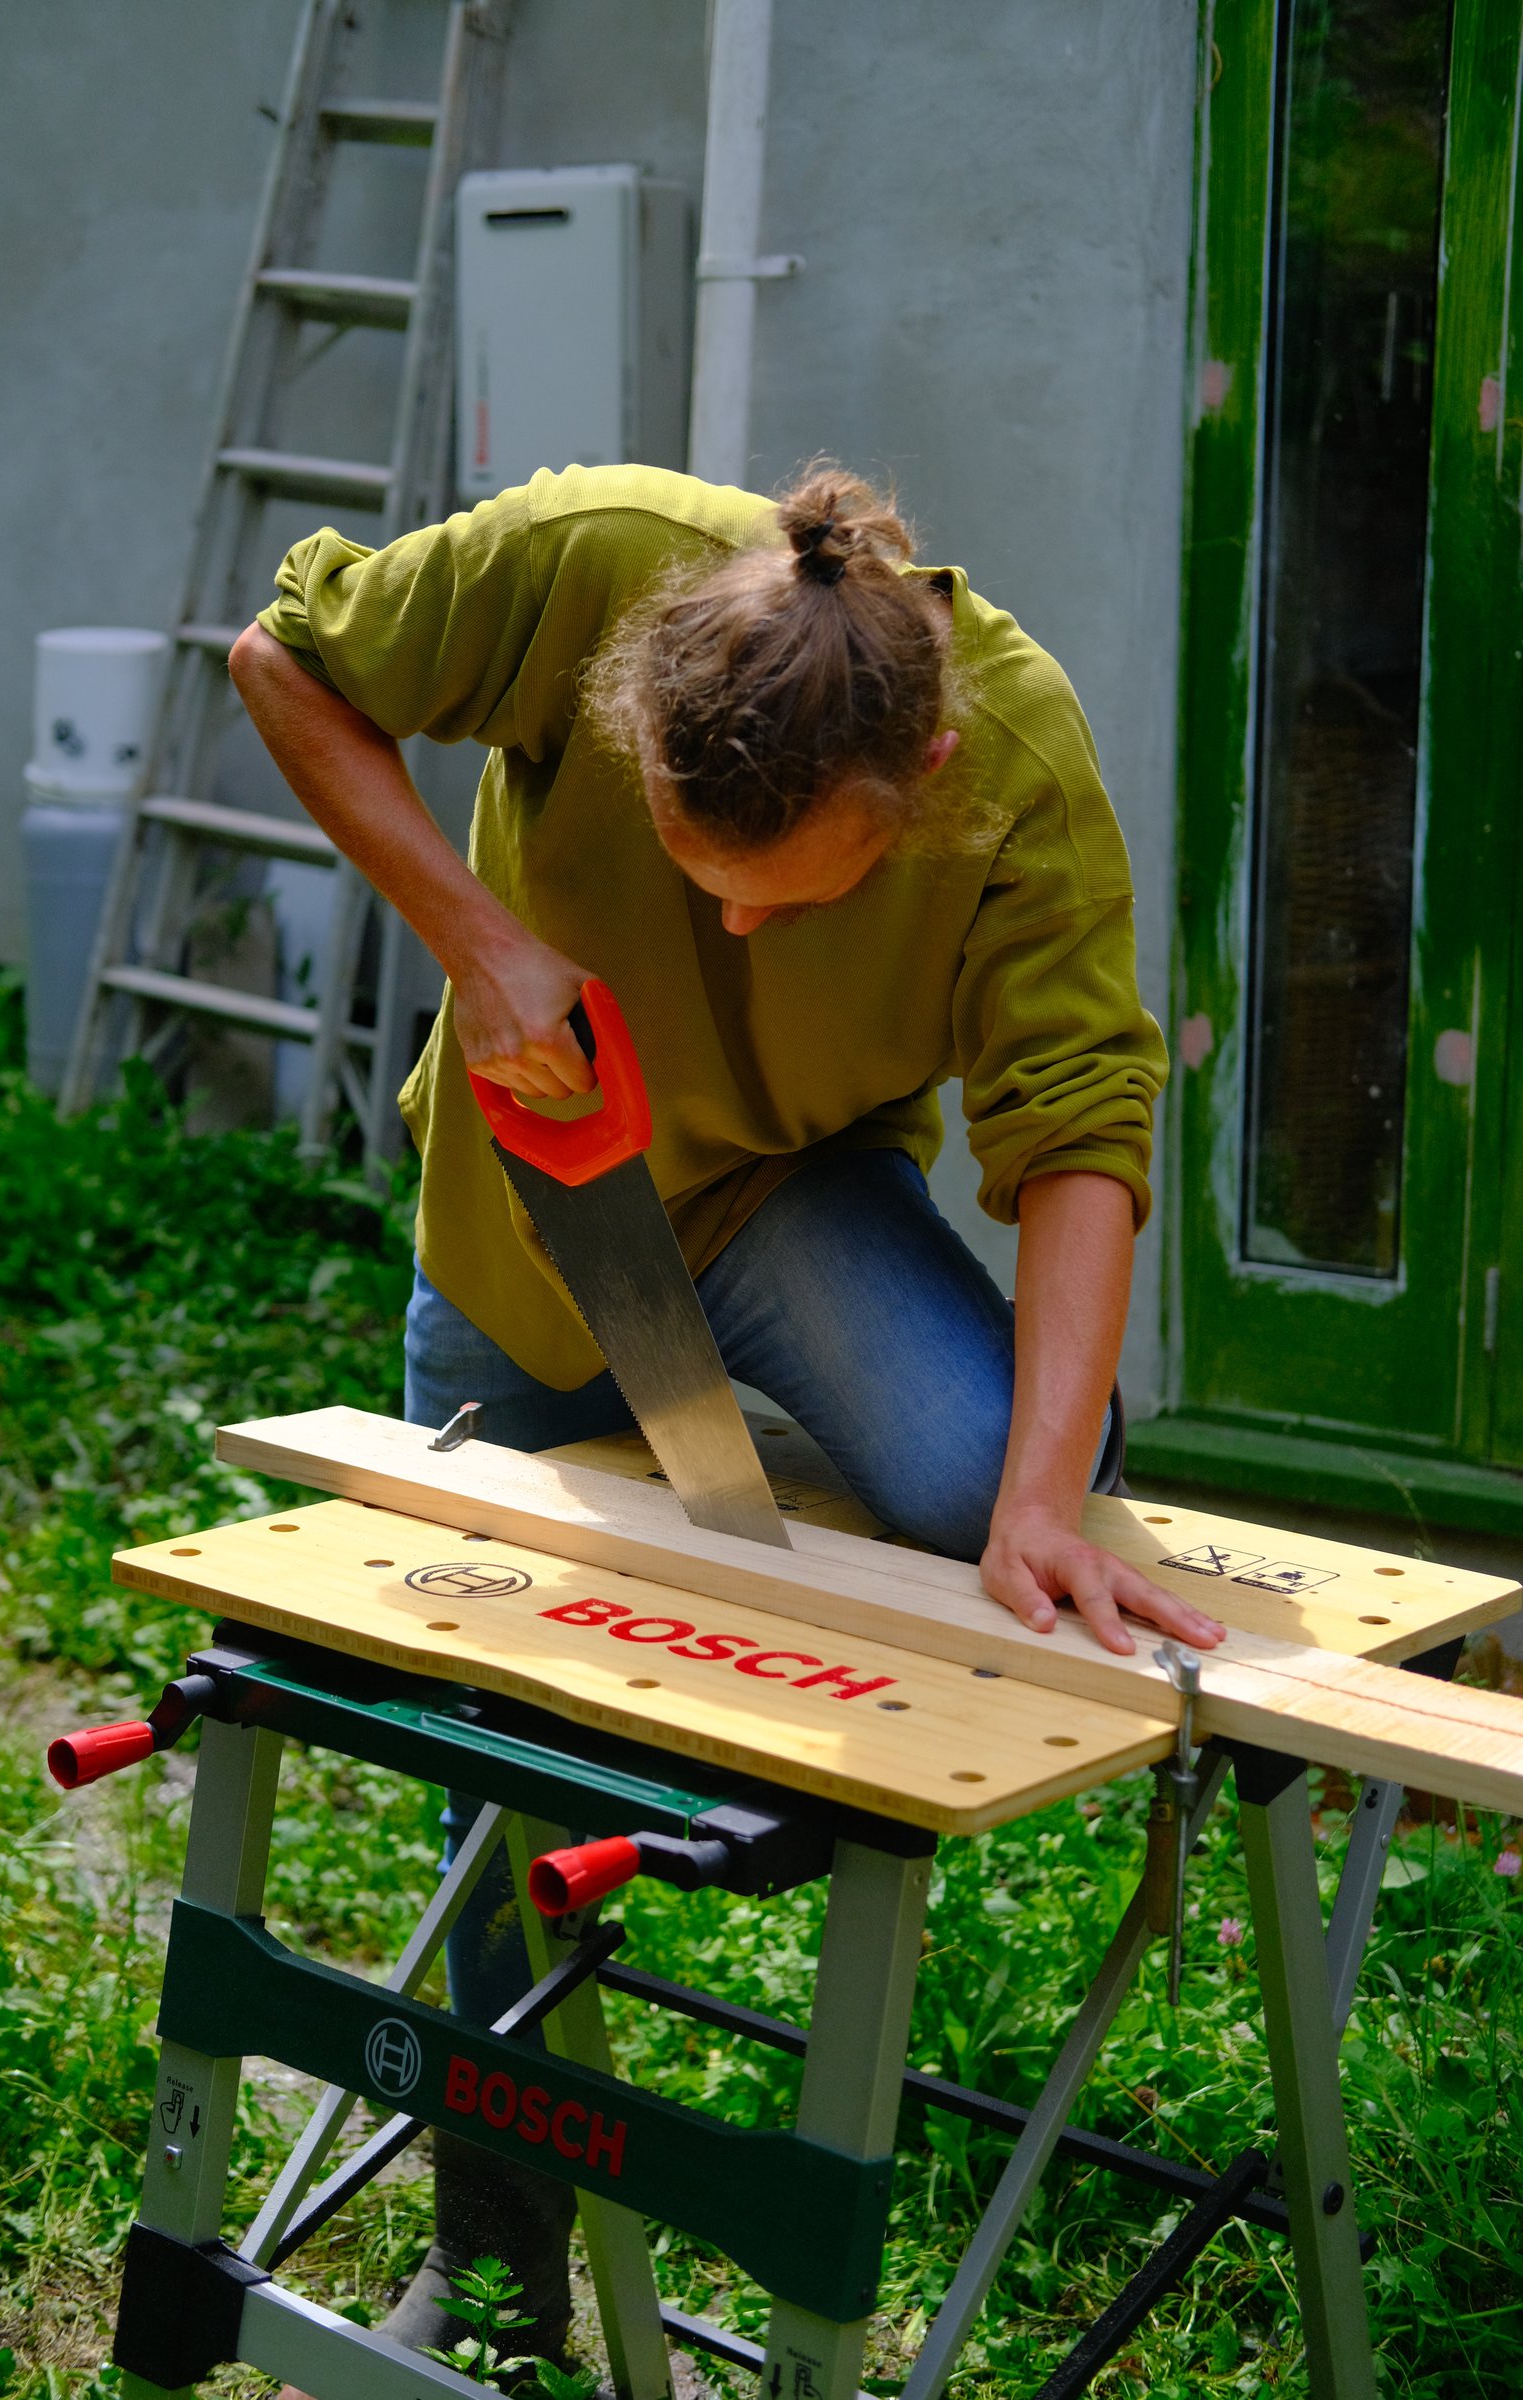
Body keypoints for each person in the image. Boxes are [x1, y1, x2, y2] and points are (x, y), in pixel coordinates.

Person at [229, 460, 1225, 2375]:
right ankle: (501, 2247)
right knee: (499, 1750)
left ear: (924, 776)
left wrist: (1037, 1496)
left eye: (786, 892)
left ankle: (889, 1524)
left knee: (1003, 1485)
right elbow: (287, 659)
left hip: (781, 1192)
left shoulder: (1021, 771)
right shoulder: (581, 561)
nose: (735, 929)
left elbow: (1083, 1125)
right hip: (537, 1208)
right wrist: (476, 936)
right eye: (700, 884)